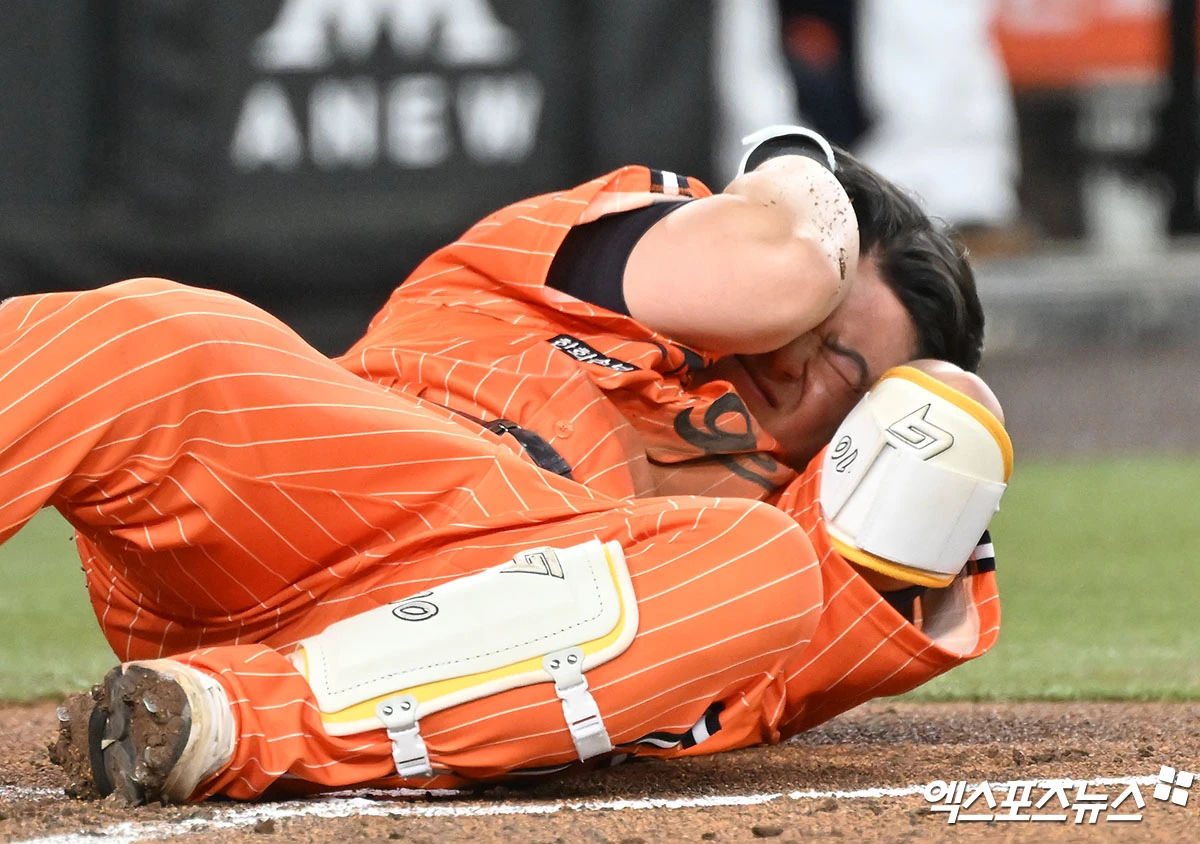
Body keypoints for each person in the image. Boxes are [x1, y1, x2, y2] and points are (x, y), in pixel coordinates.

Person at [28, 130, 1008, 804]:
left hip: (467, 630)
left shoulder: (766, 529)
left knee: (765, 567)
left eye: (843, 369)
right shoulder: (635, 242)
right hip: (310, 489)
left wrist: (925, 415)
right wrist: (796, 161)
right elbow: (780, 268)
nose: (794, 357)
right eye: (819, 319)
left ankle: (215, 723)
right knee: (152, 337)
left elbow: (939, 447)